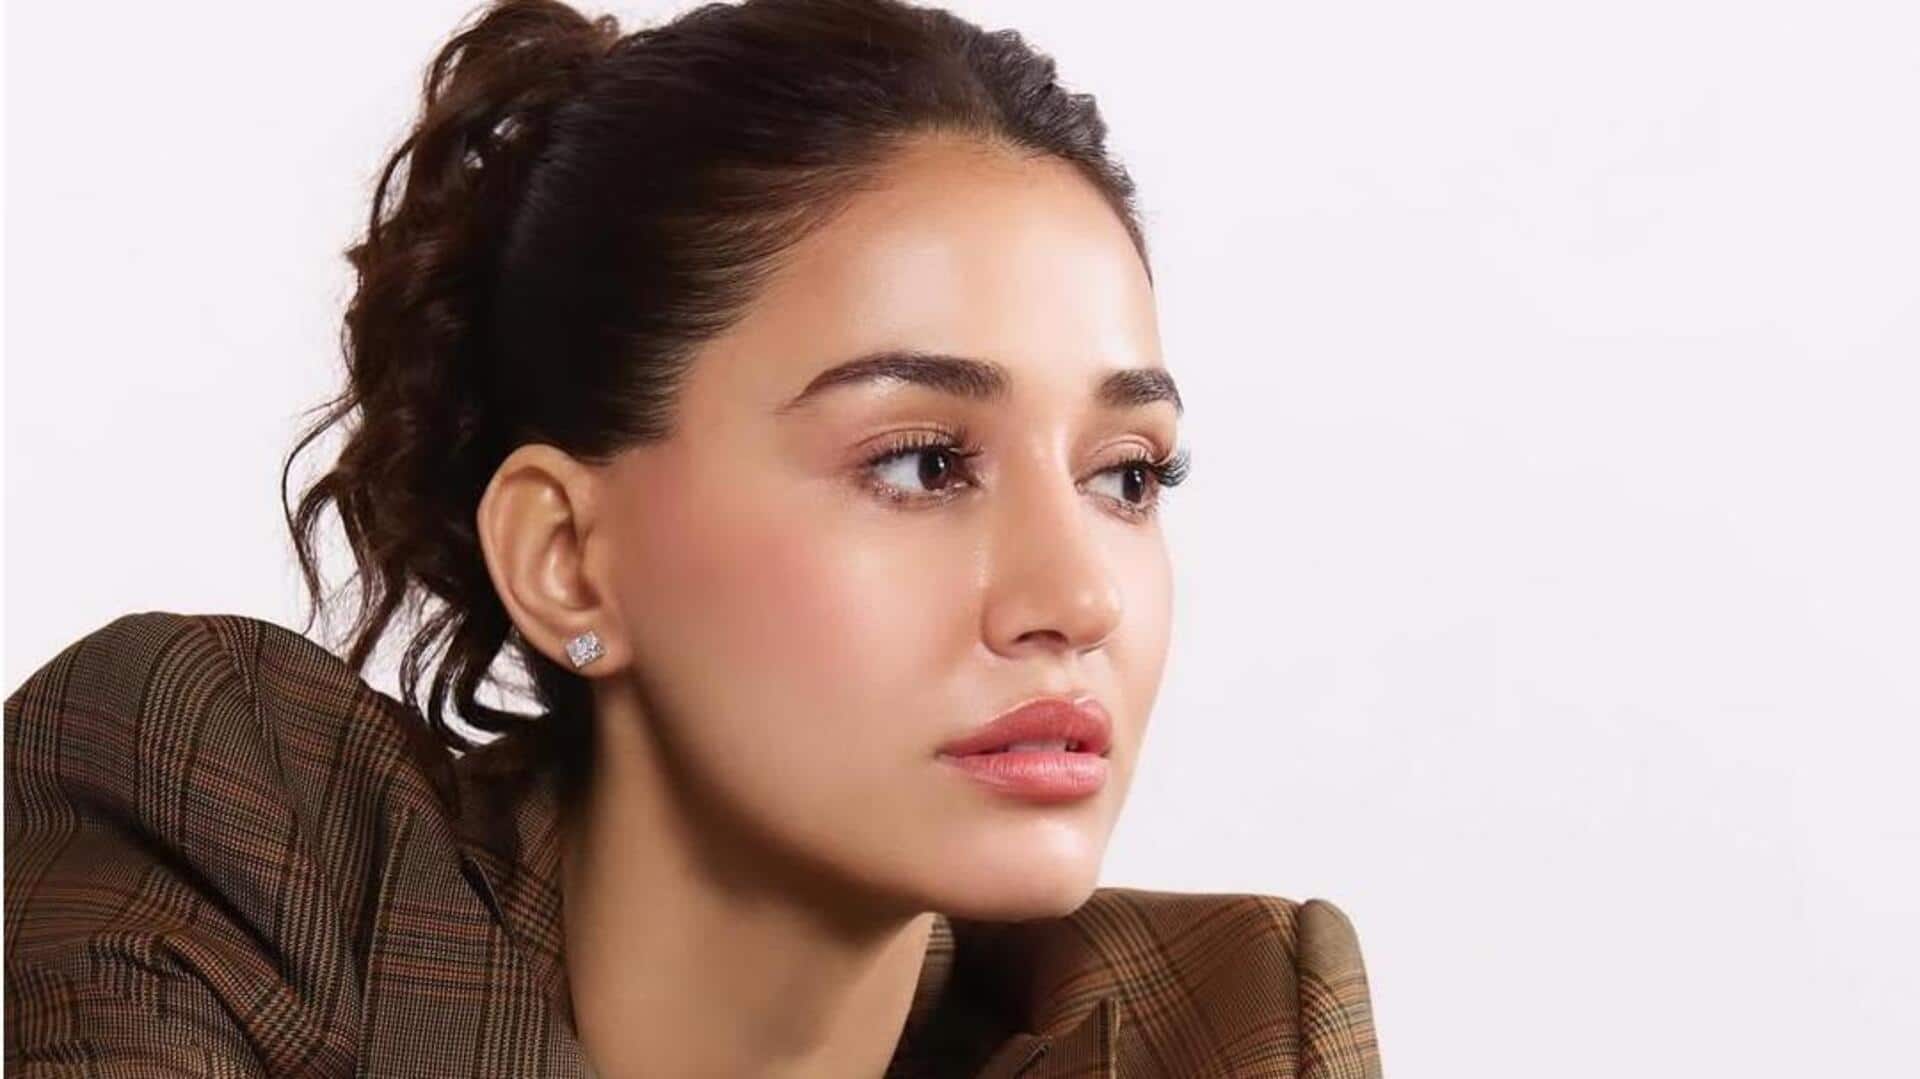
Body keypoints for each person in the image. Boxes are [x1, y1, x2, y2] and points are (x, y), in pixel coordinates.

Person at [3, 0, 1381, 1075]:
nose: (1078, 595)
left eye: (1127, 476)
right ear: (566, 558)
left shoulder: (1220, 1023)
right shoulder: (231, 824)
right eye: (921, 463)